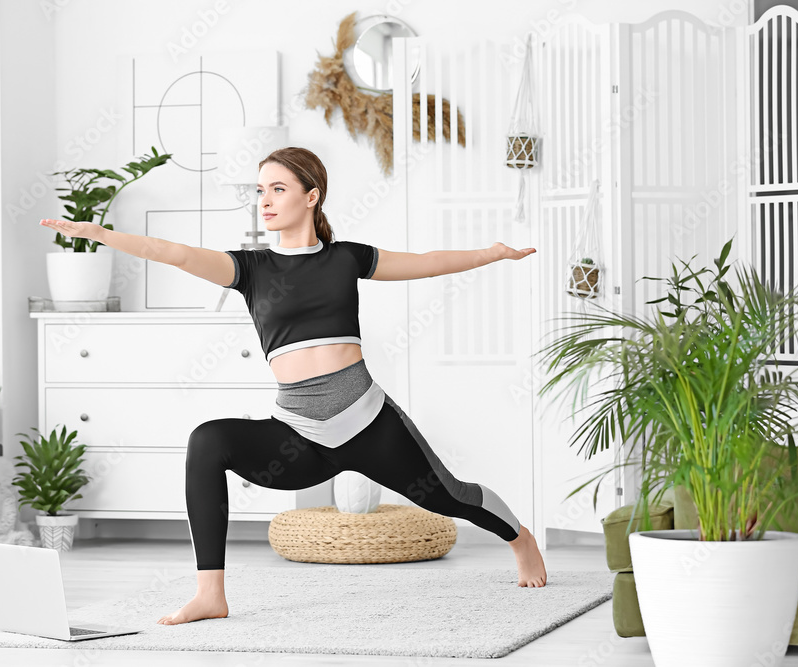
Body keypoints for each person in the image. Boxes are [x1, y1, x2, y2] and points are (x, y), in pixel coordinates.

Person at [40, 146, 545, 627]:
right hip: (298, 440)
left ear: (312, 195)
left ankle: (520, 538)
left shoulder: (347, 258)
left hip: (368, 424)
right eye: (260, 190)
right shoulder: (252, 269)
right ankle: (210, 594)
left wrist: (492, 253)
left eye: (277, 188)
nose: (264, 200)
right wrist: (100, 234)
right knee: (208, 440)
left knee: (451, 497)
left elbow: (429, 261)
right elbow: (170, 251)